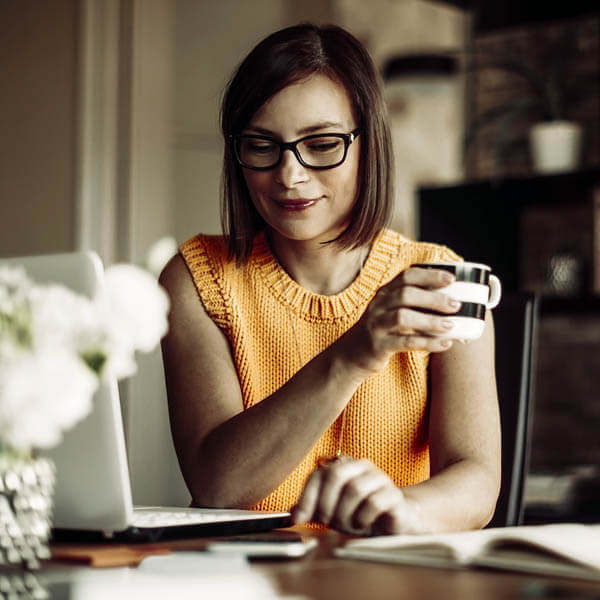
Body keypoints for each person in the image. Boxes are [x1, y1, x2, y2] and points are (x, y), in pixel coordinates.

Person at [159, 23, 500, 536]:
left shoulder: (437, 281)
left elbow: (476, 479)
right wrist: (355, 352)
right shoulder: (198, 277)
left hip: (388, 577)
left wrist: (405, 510)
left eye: (321, 143)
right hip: (243, 577)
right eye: (261, 145)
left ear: (369, 144)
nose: (290, 176)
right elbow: (218, 486)